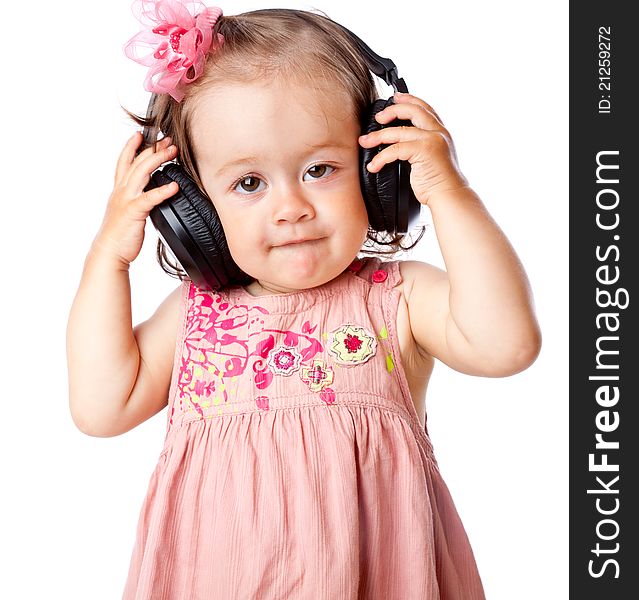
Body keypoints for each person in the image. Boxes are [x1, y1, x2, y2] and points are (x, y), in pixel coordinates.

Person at [66, 1, 542, 598]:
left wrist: (448, 190)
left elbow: (507, 345)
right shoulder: (194, 321)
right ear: (193, 210)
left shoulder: (398, 298)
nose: (291, 207)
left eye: (320, 169)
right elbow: (100, 407)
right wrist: (108, 258)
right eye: (249, 183)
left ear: (377, 171)